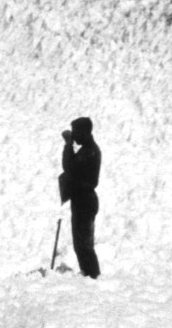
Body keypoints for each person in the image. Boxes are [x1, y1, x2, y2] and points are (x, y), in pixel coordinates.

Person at [60, 117, 101, 278]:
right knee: (81, 243)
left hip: (85, 200)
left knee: (83, 244)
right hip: (82, 200)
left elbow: (68, 167)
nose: (75, 135)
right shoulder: (87, 150)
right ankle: (89, 273)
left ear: (86, 132)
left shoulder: (89, 151)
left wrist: (68, 144)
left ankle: (92, 275)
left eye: (77, 131)